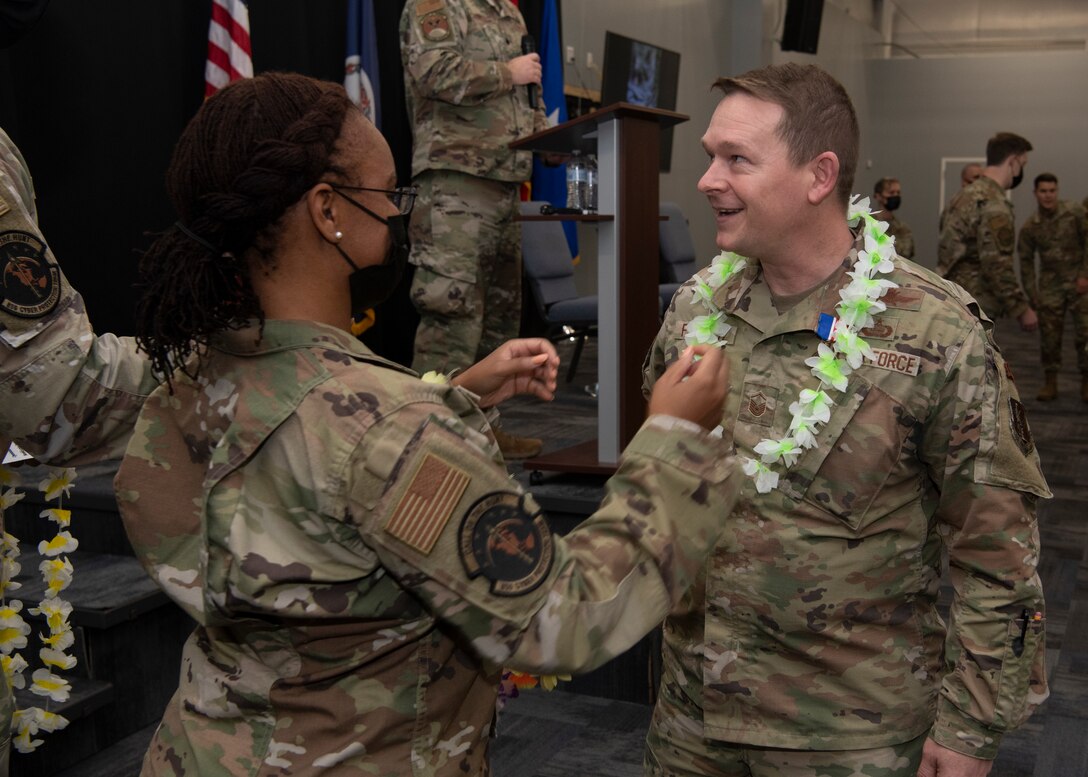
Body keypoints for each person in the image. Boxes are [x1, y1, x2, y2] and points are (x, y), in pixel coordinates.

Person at [0, 73, 745, 775]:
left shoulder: (188, 373)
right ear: (328, 211)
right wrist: (671, 441)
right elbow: (560, 618)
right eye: (391, 194)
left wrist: (451, 395)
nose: (399, 212)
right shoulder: (390, 430)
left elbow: (312, 459)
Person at [642, 63, 1050, 777]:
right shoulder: (693, 310)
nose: (707, 179)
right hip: (691, 716)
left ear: (818, 174)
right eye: (710, 155)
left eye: (736, 159)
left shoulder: (934, 329)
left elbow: (998, 556)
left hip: (847, 735)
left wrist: (969, 728)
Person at [400, 0, 549, 459]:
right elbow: (435, 71)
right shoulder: (437, 4)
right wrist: (509, 72)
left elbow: (528, 95)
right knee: (453, 315)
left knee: (497, 321)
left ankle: (482, 429)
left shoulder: (508, 11)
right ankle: (432, 434)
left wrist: (547, 135)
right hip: (455, 181)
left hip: (506, 179)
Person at [938, 132, 1038, 332]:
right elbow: (996, 264)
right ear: (1013, 161)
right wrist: (1021, 309)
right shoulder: (994, 203)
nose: (1021, 171)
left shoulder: (962, 196)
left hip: (952, 298)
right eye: (1023, 164)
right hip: (976, 305)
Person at [1017, 172, 1088, 402]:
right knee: (1049, 337)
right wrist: (1032, 292)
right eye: (1043, 191)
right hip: (1050, 286)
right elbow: (1025, 261)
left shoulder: (1075, 212)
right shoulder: (1031, 226)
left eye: (1052, 191)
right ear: (1035, 194)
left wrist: (1085, 275)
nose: (1048, 196)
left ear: (1057, 191)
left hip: (1080, 283)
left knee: (1085, 334)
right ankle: (1051, 382)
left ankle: (1086, 382)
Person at [872, 176, 914, 258]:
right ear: (878, 196)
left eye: (898, 193)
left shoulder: (903, 229)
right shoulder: (869, 223)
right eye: (891, 193)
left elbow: (907, 254)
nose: (895, 196)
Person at [939, 162, 983, 233]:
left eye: (982, 178)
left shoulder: (982, 205)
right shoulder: (956, 206)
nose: (980, 182)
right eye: (976, 177)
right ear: (964, 182)